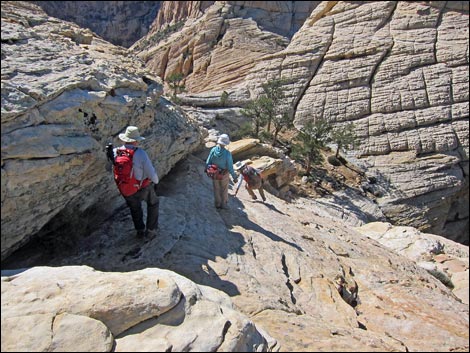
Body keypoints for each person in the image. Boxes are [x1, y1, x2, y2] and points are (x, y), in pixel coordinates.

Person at [114, 126, 160, 239]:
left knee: (135, 208)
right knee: (153, 203)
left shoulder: (116, 152)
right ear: (136, 140)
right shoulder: (140, 153)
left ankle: (140, 230)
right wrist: (156, 181)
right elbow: (151, 173)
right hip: (141, 187)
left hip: (125, 188)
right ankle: (151, 231)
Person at [206, 134, 238, 209]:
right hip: (224, 174)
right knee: (224, 189)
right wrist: (234, 177)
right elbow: (230, 166)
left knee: (216, 188)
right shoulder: (227, 153)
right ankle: (224, 204)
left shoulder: (213, 150)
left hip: (214, 172)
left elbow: (208, 161)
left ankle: (217, 204)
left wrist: (207, 169)